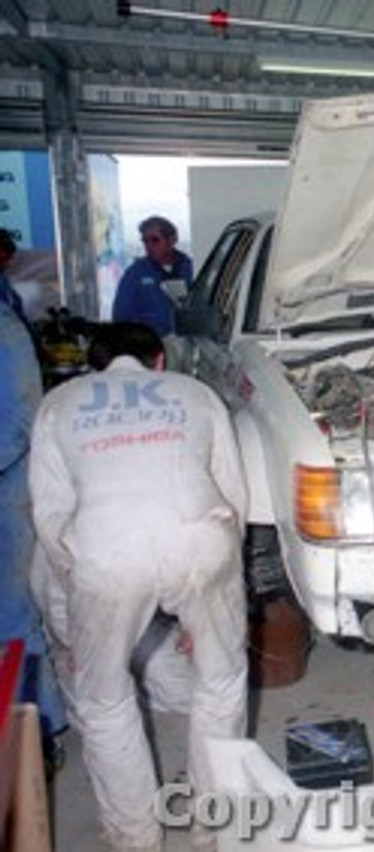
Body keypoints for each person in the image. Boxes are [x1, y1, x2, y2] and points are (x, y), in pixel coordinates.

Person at [29, 321, 248, 851]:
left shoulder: (59, 404)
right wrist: (216, 593)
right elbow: (233, 493)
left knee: (104, 702)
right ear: (159, 363)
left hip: (104, 552)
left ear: (92, 367)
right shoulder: (196, 394)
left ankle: (136, 839)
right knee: (220, 683)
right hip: (200, 538)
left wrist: (78, 604)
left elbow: (51, 519)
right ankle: (211, 826)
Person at [0, 297, 68, 767]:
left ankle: (39, 730)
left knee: (13, 614)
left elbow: (24, 419)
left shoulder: (5, 332)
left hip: (7, 495)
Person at [111, 215, 194, 338]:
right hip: (151, 346)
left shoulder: (191, 269)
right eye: (145, 241)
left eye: (155, 240)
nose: (149, 246)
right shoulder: (135, 274)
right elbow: (121, 318)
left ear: (171, 240)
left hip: (188, 345)